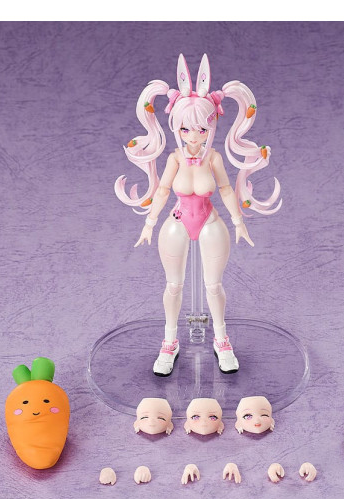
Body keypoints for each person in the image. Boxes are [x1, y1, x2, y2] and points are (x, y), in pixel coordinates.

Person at [115, 54, 281, 376]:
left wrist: (238, 221)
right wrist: (149, 223)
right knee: (173, 285)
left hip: (209, 221)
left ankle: (221, 339)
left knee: (213, 286)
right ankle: (169, 341)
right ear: (176, 128)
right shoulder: (175, 158)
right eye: (186, 129)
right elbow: (163, 190)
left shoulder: (213, 157)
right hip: (177, 222)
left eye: (201, 129)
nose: (193, 136)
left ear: (211, 128)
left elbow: (226, 189)